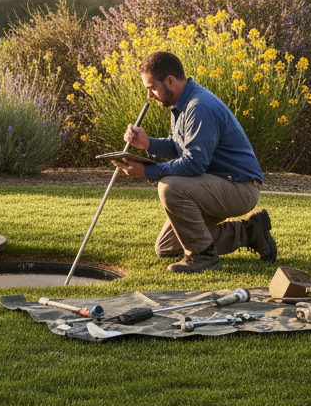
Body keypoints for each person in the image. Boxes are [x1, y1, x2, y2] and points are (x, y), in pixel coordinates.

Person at [112, 50, 277, 273]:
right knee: (167, 248)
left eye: (152, 88)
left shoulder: (199, 107)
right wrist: (147, 143)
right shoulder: (181, 103)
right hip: (214, 185)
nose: (150, 95)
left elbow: (194, 164)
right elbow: (178, 146)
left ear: (169, 81)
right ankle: (249, 232)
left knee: (170, 187)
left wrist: (147, 171)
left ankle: (203, 257)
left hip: (239, 187)